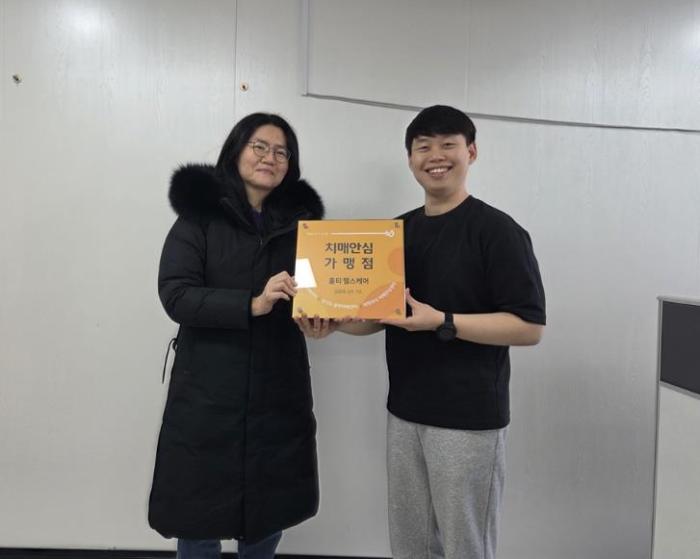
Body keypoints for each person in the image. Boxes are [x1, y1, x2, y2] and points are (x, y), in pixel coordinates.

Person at [338, 105, 546, 559]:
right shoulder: (396, 232)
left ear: (471, 152)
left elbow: (529, 327)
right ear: (410, 158)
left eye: (448, 144)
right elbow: (376, 317)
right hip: (404, 411)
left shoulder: (498, 231)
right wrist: (331, 321)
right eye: (423, 147)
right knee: (409, 544)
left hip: (468, 419)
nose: (436, 156)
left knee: (464, 545)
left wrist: (443, 321)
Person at [148, 113, 325, 559]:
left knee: (269, 510)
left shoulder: (305, 229)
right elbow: (176, 294)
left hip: (278, 388)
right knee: (197, 513)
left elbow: (320, 295)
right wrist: (252, 303)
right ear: (236, 150)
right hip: (207, 391)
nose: (270, 158)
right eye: (259, 146)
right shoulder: (198, 218)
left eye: (281, 151)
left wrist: (322, 319)